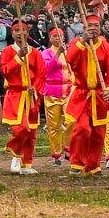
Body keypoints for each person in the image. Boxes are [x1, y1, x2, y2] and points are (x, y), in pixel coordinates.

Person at [64, 14, 109, 176]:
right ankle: (76, 162)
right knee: (82, 129)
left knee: (98, 132)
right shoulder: (76, 43)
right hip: (82, 94)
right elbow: (69, 59)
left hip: (100, 95)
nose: (93, 28)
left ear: (100, 27)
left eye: (96, 25)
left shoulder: (106, 47)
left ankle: (93, 165)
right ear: (84, 27)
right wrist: (82, 41)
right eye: (89, 25)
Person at [0, 18, 45, 175]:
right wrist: (18, 57)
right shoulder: (7, 52)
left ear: (27, 31)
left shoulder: (36, 53)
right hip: (15, 95)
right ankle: (15, 153)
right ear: (12, 33)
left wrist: (36, 88)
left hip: (32, 96)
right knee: (21, 129)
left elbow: (41, 74)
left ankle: (27, 163)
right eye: (16, 30)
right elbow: (5, 70)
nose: (20, 33)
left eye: (23, 30)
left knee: (31, 132)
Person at [40, 27, 71, 166]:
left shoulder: (69, 52)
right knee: (54, 126)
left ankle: (69, 147)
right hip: (52, 91)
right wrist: (58, 54)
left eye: (60, 36)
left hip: (69, 90)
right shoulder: (45, 53)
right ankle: (56, 154)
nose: (58, 38)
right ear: (50, 38)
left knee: (71, 120)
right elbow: (46, 69)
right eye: (55, 36)